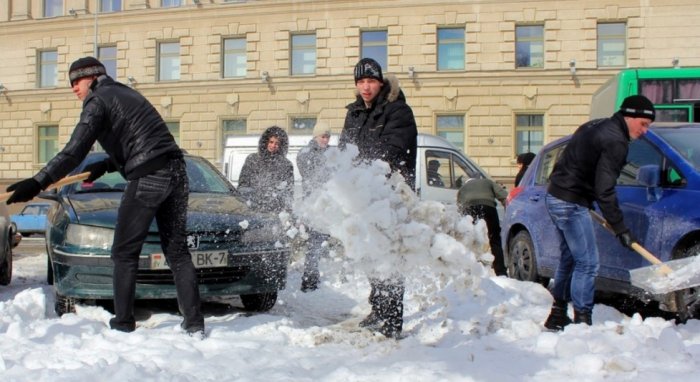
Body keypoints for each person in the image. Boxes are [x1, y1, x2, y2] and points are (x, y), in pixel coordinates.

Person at [5, 57, 204, 335]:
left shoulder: (97, 100)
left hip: (148, 177)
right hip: (177, 172)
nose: (74, 88)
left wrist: (39, 181)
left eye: (77, 81)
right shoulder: (126, 92)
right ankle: (195, 324)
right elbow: (142, 139)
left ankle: (123, 323)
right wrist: (108, 164)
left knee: (123, 252)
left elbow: (74, 150)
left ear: (92, 77)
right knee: (177, 252)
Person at [543, 95, 654, 330]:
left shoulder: (594, 125)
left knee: (571, 258)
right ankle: (583, 320)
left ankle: (557, 314)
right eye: (643, 124)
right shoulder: (616, 141)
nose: (645, 131)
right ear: (629, 116)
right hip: (570, 202)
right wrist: (620, 228)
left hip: (557, 196)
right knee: (588, 263)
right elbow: (605, 190)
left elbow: (567, 162)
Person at [339, 57, 417, 339]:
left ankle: (393, 318)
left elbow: (393, 150)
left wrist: (361, 169)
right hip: (362, 196)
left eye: (370, 81)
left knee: (390, 258)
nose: (365, 87)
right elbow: (344, 149)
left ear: (381, 82)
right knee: (370, 254)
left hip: (391, 194)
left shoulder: (398, 111)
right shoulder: (355, 113)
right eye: (360, 82)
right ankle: (379, 307)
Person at [296, 122, 332, 292]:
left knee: (330, 244)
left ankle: (338, 275)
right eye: (323, 136)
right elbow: (310, 175)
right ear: (315, 136)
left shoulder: (331, 153)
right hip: (314, 206)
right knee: (315, 244)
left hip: (331, 206)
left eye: (328, 137)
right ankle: (309, 280)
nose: (326, 140)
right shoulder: (306, 153)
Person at [457, 177, 508, 276]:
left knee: (469, 239)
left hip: (469, 208)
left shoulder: (463, 188)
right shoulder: (488, 182)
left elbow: (459, 207)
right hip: (488, 206)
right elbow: (505, 196)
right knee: (495, 239)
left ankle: (468, 270)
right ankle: (501, 271)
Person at [238, 126, 294, 215]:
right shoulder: (252, 160)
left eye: (277, 143)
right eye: (271, 142)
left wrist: (287, 210)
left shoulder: (286, 165)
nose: (273, 146)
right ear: (265, 142)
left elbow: (288, 191)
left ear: (281, 146)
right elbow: (243, 185)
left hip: (275, 211)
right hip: (254, 210)